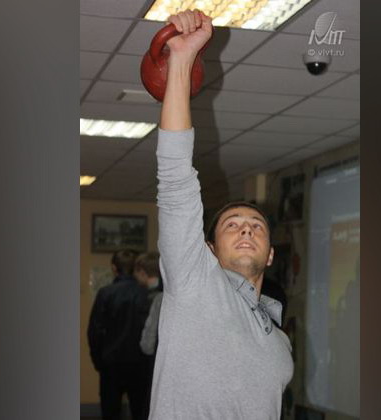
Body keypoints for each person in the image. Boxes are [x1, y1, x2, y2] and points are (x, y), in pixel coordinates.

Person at [149, 10, 293, 419]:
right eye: (232, 226)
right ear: (209, 249)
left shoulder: (278, 337)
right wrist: (182, 59)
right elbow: (175, 179)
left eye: (256, 226)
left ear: (270, 254)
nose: (246, 230)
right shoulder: (195, 282)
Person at [87, 249, 150, 420]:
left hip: (111, 364)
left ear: (114, 268)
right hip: (140, 364)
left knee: (110, 412)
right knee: (141, 412)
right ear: (136, 268)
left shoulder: (105, 293)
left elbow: (94, 332)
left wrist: (98, 361)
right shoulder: (145, 293)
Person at [133, 252, 163, 419]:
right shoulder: (172, 294)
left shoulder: (146, 298)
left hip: (149, 363)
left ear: (142, 272)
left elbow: (146, 343)